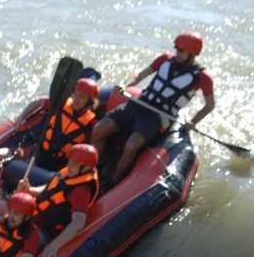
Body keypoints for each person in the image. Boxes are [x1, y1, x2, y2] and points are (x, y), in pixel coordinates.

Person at [92, 31, 216, 182]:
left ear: (192, 53)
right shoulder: (165, 59)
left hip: (158, 116)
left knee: (131, 146)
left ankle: (112, 180)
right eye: (176, 48)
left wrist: (193, 122)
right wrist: (126, 86)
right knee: (98, 129)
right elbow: (140, 76)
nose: (177, 52)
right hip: (138, 104)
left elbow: (210, 105)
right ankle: (92, 170)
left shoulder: (203, 77)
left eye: (181, 50)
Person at [18, 143, 100, 257]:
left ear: (86, 168)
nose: (70, 165)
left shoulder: (81, 191)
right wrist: (30, 190)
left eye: (75, 163)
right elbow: (49, 190)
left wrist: (54, 246)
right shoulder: (70, 173)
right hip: (35, 217)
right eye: (71, 160)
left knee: (14, 243)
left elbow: (78, 223)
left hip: (46, 231)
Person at [15, 78, 101, 171]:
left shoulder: (91, 123)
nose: (76, 99)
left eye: (81, 97)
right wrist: (21, 117)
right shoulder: (61, 103)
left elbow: (91, 149)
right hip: (41, 153)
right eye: (75, 95)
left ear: (89, 102)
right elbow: (39, 102)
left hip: (62, 165)